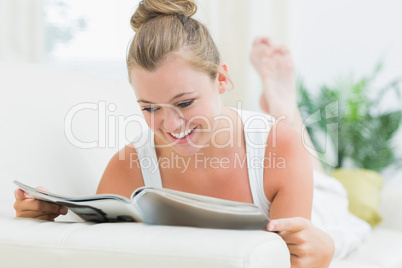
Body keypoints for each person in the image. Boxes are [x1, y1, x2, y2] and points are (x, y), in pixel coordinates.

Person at [14, 0, 373, 267]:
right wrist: (47, 213)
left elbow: (292, 256)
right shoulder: (130, 167)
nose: (169, 125)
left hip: (315, 203)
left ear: (221, 79)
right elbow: (90, 247)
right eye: (150, 108)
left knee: (327, 191)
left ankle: (283, 102)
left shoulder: (281, 147)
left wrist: (321, 256)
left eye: (184, 103)